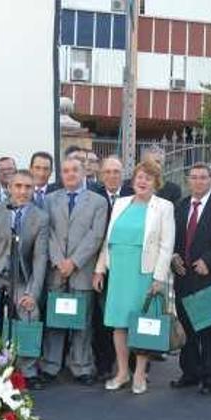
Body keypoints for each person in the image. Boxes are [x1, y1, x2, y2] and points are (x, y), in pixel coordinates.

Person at [93, 159, 175, 395]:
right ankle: (122, 372)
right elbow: (108, 241)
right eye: (139, 177)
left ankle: (139, 373)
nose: (142, 181)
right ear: (133, 180)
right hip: (118, 272)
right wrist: (100, 269)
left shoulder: (164, 207)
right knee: (119, 324)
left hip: (144, 273)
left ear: (155, 183)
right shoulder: (120, 203)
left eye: (148, 178)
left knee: (142, 325)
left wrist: (158, 278)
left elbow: (166, 245)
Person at [0, 170, 49, 387]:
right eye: (18, 186)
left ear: (33, 190)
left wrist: (32, 293)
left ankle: (27, 370)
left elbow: (40, 258)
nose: (23, 191)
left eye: (28, 187)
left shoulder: (40, 217)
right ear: (9, 188)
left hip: (21, 275)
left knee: (30, 312)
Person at [40, 158, 108, 386]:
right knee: (55, 320)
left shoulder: (98, 201)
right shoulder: (49, 200)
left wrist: (75, 262)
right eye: (65, 171)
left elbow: (96, 235)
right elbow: (46, 232)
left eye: (74, 170)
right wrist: (60, 261)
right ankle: (50, 365)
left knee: (82, 322)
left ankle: (82, 366)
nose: (70, 174)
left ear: (84, 173)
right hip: (56, 269)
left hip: (82, 270)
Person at [171, 162, 211, 395]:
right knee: (188, 329)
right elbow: (172, 238)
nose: (198, 181)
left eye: (203, 177)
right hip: (184, 278)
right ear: (188, 180)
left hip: (210, 278)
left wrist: (209, 259)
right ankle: (190, 373)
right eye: (193, 177)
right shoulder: (180, 206)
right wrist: (173, 256)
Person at [90, 156, 132, 381]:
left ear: (123, 174)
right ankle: (104, 365)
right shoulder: (93, 196)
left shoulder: (133, 197)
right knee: (102, 317)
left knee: (129, 316)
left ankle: (133, 366)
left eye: (116, 172)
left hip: (128, 266)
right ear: (101, 175)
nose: (112, 176)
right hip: (99, 265)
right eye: (107, 172)